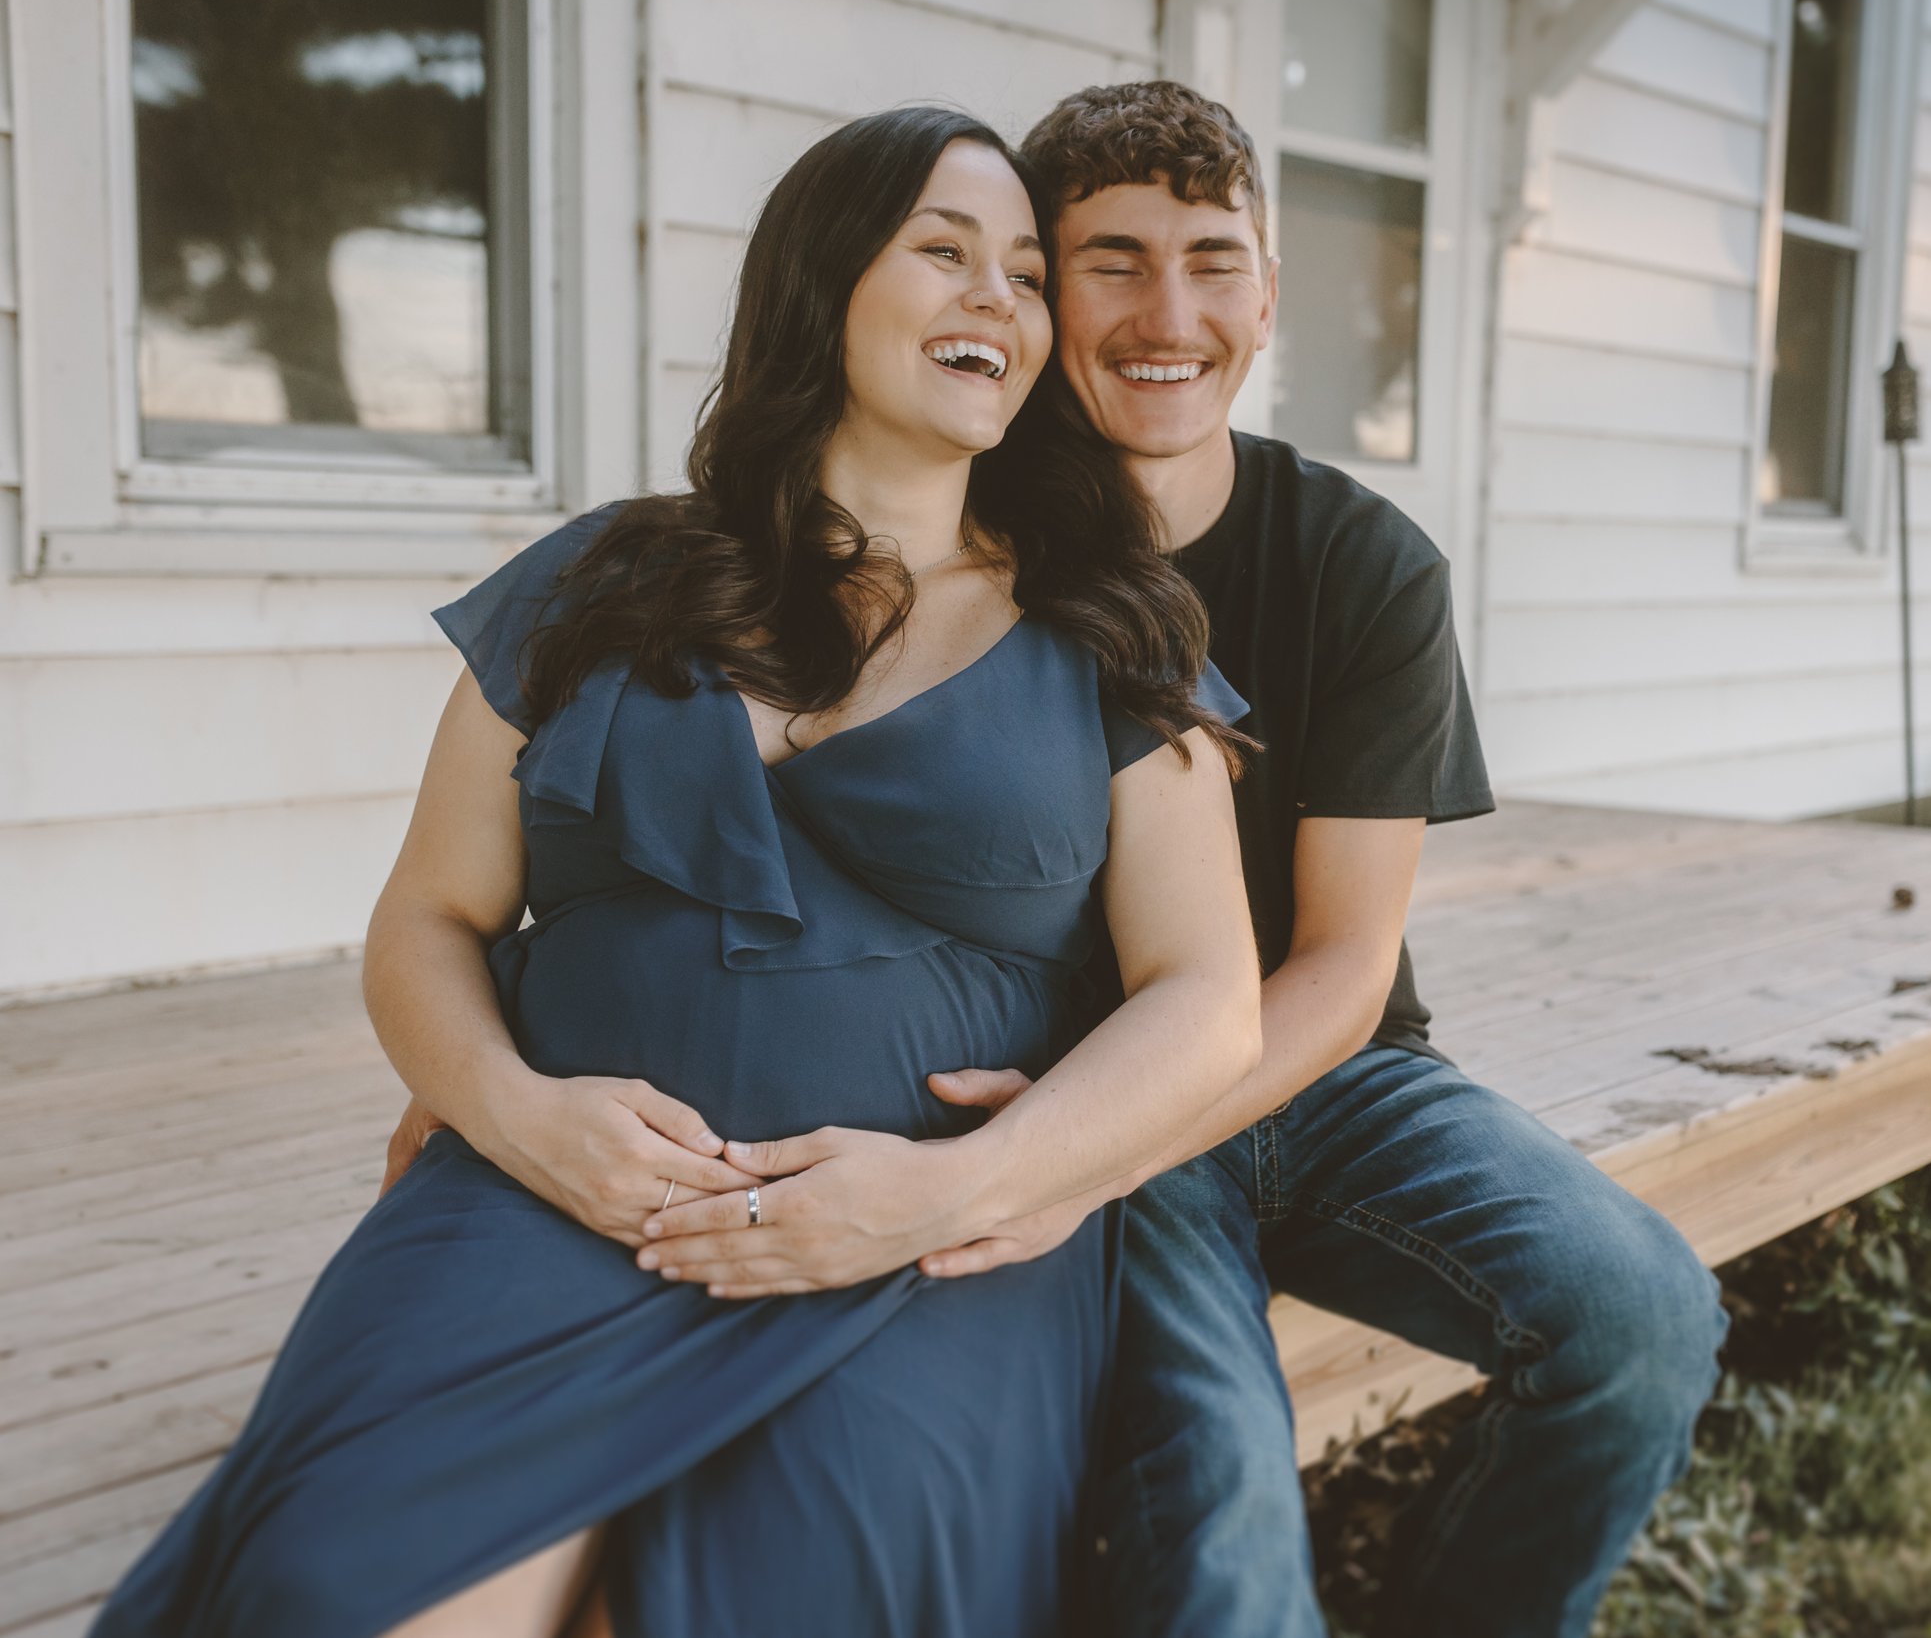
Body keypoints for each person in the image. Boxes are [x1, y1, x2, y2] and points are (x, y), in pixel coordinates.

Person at [94, 106, 1261, 1638]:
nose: (1004, 299)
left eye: (1030, 274)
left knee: (797, 1600)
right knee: (344, 1593)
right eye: (945, 251)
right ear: (821, 285)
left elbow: (1211, 998)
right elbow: (428, 919)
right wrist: (519, 1118)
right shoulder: (599, 581)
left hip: (907, 1239)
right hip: (550, 1193)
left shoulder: (1113, 625)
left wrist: (952, 1191)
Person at [899, 81, 1731, 1638]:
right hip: (1080, 1070)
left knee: (1646, 1319)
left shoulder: (1362, 562)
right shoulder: (963, 542)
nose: (1169, 311)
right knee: (1221, 1522)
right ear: (1037, 289)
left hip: (1328, 1081)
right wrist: (1086, 1138)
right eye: (1113, 261)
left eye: (1213, 261)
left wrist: (1092, 1155)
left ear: (1268, 296)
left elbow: (1347, 967)